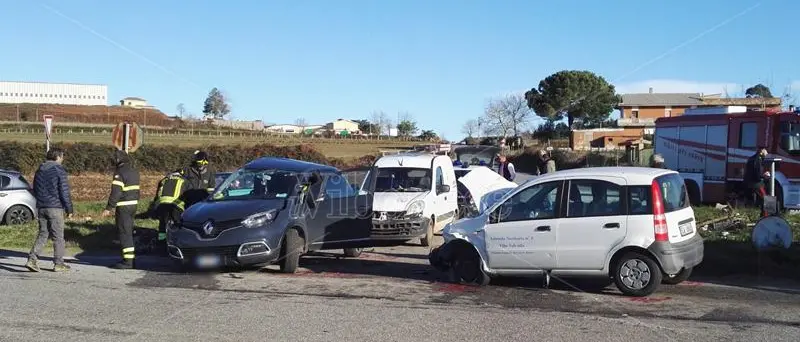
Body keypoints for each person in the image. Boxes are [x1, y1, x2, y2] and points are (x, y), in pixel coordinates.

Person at [25, 148, 73, 272]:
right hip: (55, 207)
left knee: (43, 233)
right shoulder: (59, 170)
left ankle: (32, 259)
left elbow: (34, 188)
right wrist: (69, 208)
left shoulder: (39, 170)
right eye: (62, 157)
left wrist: (40, 201)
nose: (63, 159)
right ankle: (58, 263)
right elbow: (64, 190)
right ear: (57, 157)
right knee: (58, 237)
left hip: (41, 207)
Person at [101, 149, 140, 269]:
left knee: (124, 233)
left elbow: (116, 192)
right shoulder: (134, 171)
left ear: (118, 160)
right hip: (133, 205)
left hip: (124, 206)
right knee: (128, 232)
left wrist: (109, 207)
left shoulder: (120, 172)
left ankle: (127, 262)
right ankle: (130, 259)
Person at [150, 170, 189, 253]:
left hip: (162, 205)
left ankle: (161, 246)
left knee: (162, 225)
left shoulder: (164, 180)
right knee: (177, 225)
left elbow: (157, 196)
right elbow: (187, 195)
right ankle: (177, 246)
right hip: (176, 206)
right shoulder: (184, 180)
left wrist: (154, 209)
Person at [744, 146, 769, 216]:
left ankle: (763, 214)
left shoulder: (754, 158)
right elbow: (757, 174)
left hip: (750, 182)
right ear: (762, 151)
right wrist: (764, 175)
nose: (767, 152)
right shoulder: (758, 160)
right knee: (766, 199)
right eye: (766, 150)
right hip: (755, 183)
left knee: (763, 198)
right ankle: (766, 216)